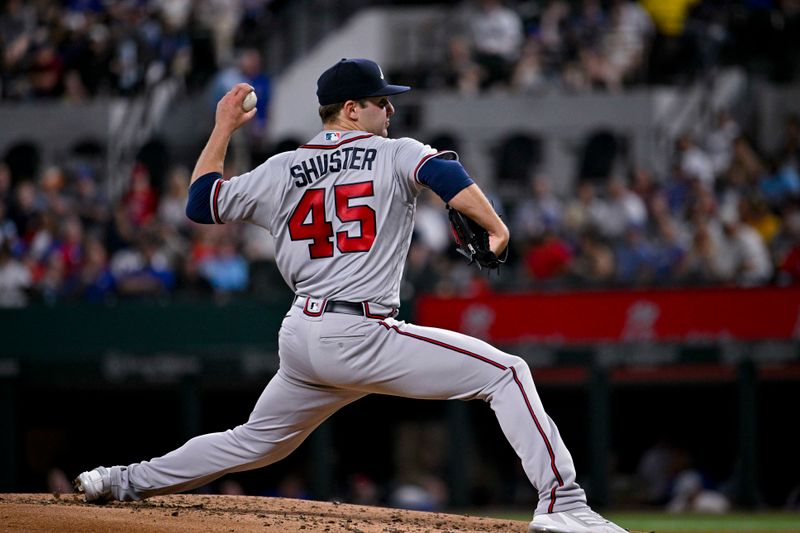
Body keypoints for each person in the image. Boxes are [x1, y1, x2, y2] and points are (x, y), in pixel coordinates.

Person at [74, 58, 627, 533]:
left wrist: (222, 128)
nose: (390, 111)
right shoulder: (395, 153)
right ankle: (564, 503)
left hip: (302, 339)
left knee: (252, 443)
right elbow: (444, 170)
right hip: (359, 331)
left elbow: (201, 204)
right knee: (506, 373)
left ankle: (119, 481)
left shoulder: (283, 167)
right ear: (350, 109)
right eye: (380, 102)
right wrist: (497, 227)